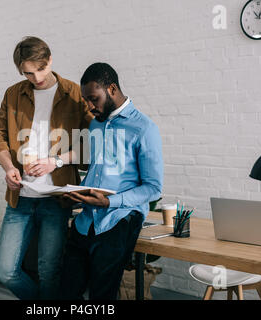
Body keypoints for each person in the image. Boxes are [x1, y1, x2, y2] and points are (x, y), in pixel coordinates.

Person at [0, 36, 93, 300]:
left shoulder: (74, 94)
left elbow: (93, 144)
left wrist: (55, 161)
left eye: (41, 69)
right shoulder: (13, 94)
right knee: (4, 271)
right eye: (28, 73)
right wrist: (9, 166)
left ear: (50, 60)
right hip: (20, 198)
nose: (36, 78)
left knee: (49, 271)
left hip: (56, 198)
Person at [60, 62, 163, 300]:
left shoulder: (144, 129)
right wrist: (77, 196)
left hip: (120, 218)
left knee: (101, 296)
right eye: (86, 100)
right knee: (65, 292)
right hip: (87, 218)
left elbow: (154, 188)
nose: (89, 106)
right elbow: (98, 170)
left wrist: (110, 202)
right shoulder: (96, 123)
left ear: (112, 89)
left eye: (93, 99)